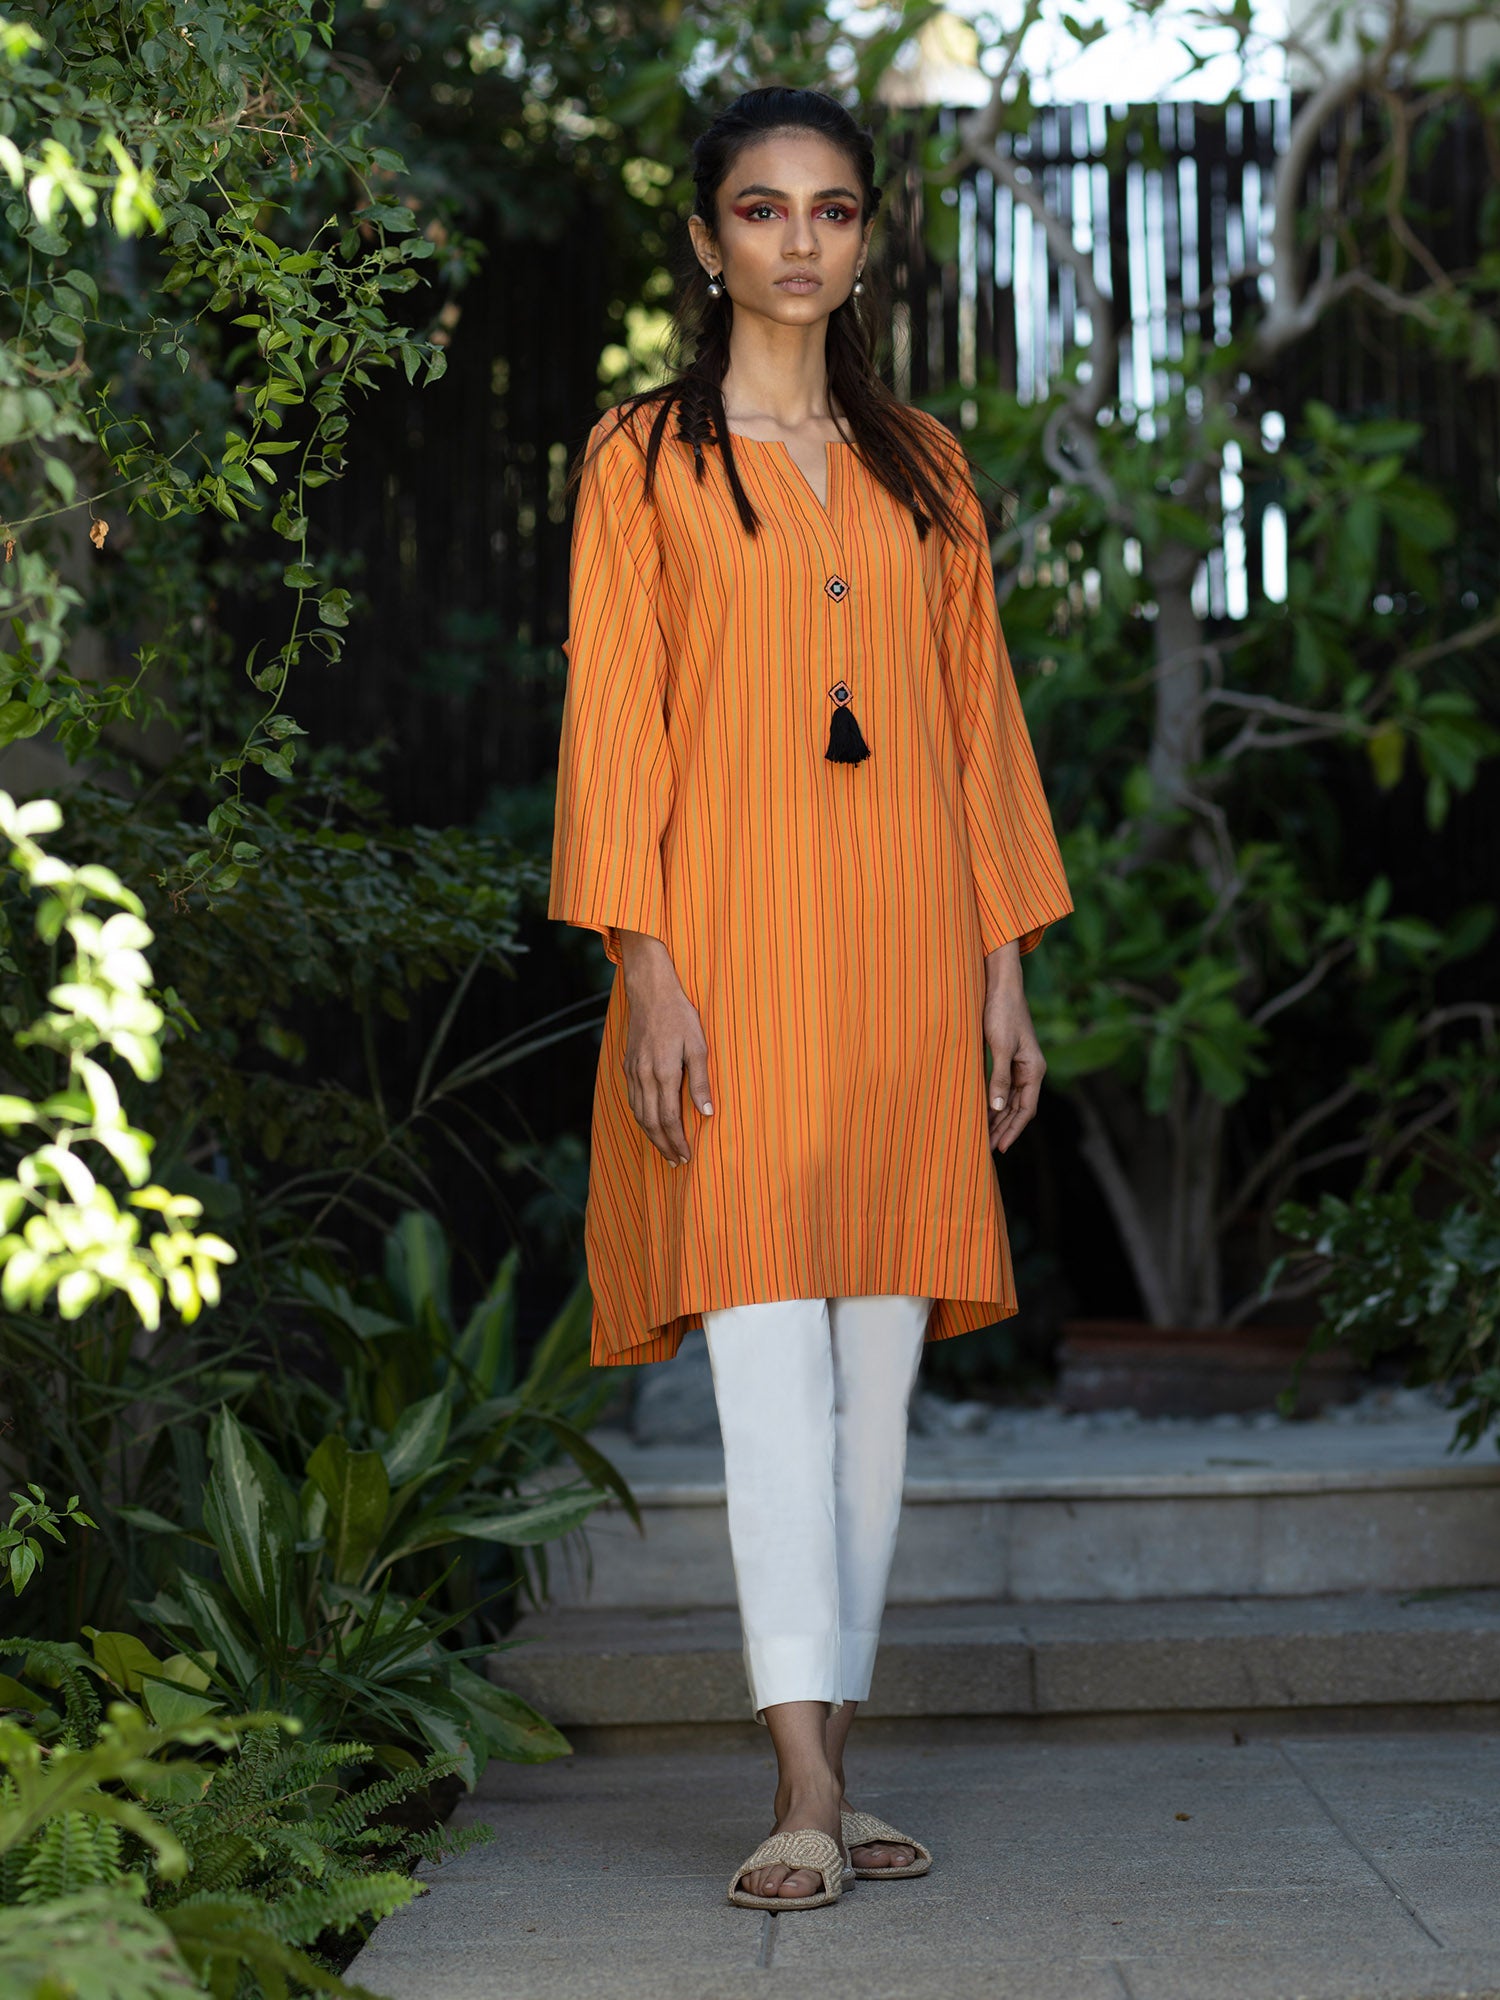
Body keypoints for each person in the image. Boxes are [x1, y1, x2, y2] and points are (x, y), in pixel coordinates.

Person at [548, 84, 1072, 1912]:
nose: (797, 239)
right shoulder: (641, 459)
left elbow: (976, 723)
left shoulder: (927, 463)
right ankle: (797, 1781)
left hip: (912, 954)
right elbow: (616, 723)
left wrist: (1003, 971)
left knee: (872, 1391)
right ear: (707, 242)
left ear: (863, 239)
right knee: (767, 1363)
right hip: (730, 956)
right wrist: (647, 967)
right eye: (761, 209)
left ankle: (836, 1769)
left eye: (831, 209)